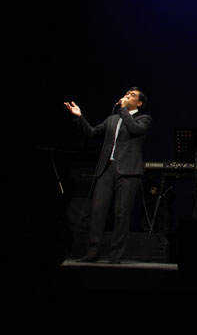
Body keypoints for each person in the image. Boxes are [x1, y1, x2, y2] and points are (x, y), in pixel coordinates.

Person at [64, 87, 152, 263]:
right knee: (98, 210)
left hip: (128, 171)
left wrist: (123, 109)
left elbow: (134, 129)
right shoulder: (113, 119)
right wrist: (79, 117)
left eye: (132, 96)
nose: (127, 96)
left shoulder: (144, 119)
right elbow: (92, 133)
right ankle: (92, 252)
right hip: (107, 169)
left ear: (139, 103)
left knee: (121, 213)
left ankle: (115, 255)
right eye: (126, 94)